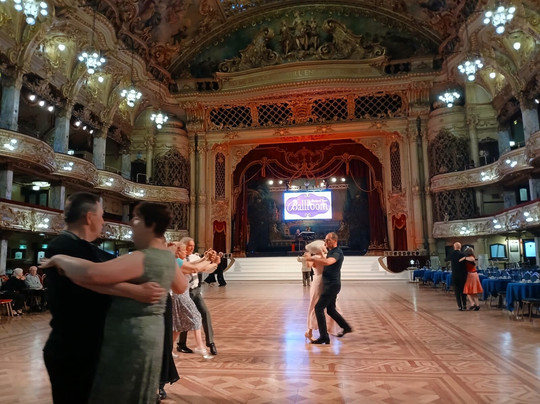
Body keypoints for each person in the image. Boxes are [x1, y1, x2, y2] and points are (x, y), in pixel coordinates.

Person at [41, 201, 188, 404]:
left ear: (151, 225)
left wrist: (60, 260)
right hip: (152, 333)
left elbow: (92, 274)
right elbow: (181, 287)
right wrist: (134, 290)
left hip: (131, 334)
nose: (131, 223)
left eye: (136, 218)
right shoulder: (166, 258)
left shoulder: (142, 258)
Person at [171, 240, 217, 360]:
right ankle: (200, 346)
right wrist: (213, 262)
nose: (186, 251)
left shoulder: (179, 261)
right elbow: (195, 268)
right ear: (178, 252)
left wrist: (206, 258)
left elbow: (194, 264)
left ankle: (168, 349)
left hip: (182, 294)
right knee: (196, 317)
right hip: (181, 295)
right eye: (184, 250)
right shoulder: (176, 262)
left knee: (179, 326)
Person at [306, 232, 352, 344]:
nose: (326, 242)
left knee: (318, 308)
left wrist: (312, 259)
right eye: (325, 240)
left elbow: (327, 262)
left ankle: (324, 337)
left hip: (332, 285)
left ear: (335, 240)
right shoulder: (330, 251)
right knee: (331, 310)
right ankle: (346, 327)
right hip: (329, 285)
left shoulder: (337, 252)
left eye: (328, 240)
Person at [303, 240, 344, 341]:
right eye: (324, 245)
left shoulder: (325, 256)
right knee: (315, 306)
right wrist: (310, 256)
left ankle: (330, 329)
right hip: (319, 283)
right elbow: (309, 265)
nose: (326, 246)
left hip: (326, 282)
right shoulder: (317, 258)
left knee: (332, 306)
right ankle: (310, 331)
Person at [450, 242, 467, 311]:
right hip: (463, 275)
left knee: (457, 291)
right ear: (460, 247)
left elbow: (446, 259)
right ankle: (464, 305)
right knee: (463, 291)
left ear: (454, 247)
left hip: (455, 275)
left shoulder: (452, 254)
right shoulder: (463, 254)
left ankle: (460, 306)